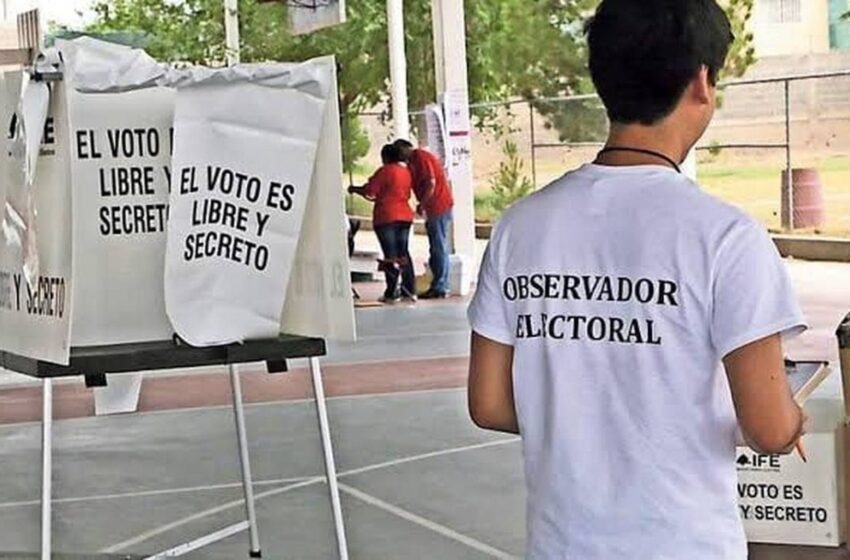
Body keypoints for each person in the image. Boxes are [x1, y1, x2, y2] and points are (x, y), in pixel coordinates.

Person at [467, 1, 808, 558]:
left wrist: (581, 420)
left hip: (561, 545)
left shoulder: (520, 226)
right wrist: (792, 417)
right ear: (702, 81)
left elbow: (489, 403)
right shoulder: (726, 237)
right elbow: (768, 428)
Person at [349, 144, 416, 304]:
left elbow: (370, 191)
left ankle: (392, 292)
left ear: (386, 157)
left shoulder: (385, 171)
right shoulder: (405, 172)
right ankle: (409, 289)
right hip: (405, 216)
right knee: (403, 254)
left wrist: (355, 189)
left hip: (387, 217)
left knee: (390, 256)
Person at [394, 139, 454, 299]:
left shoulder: (420, 157)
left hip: (438, 205)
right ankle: (439, 283)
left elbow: (430, 183)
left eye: (400, 151)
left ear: (406, 148)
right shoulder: (411, 162)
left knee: (438, 247)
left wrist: (423, 203)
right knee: (437, 246)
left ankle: (441, 285)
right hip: (433, 207)